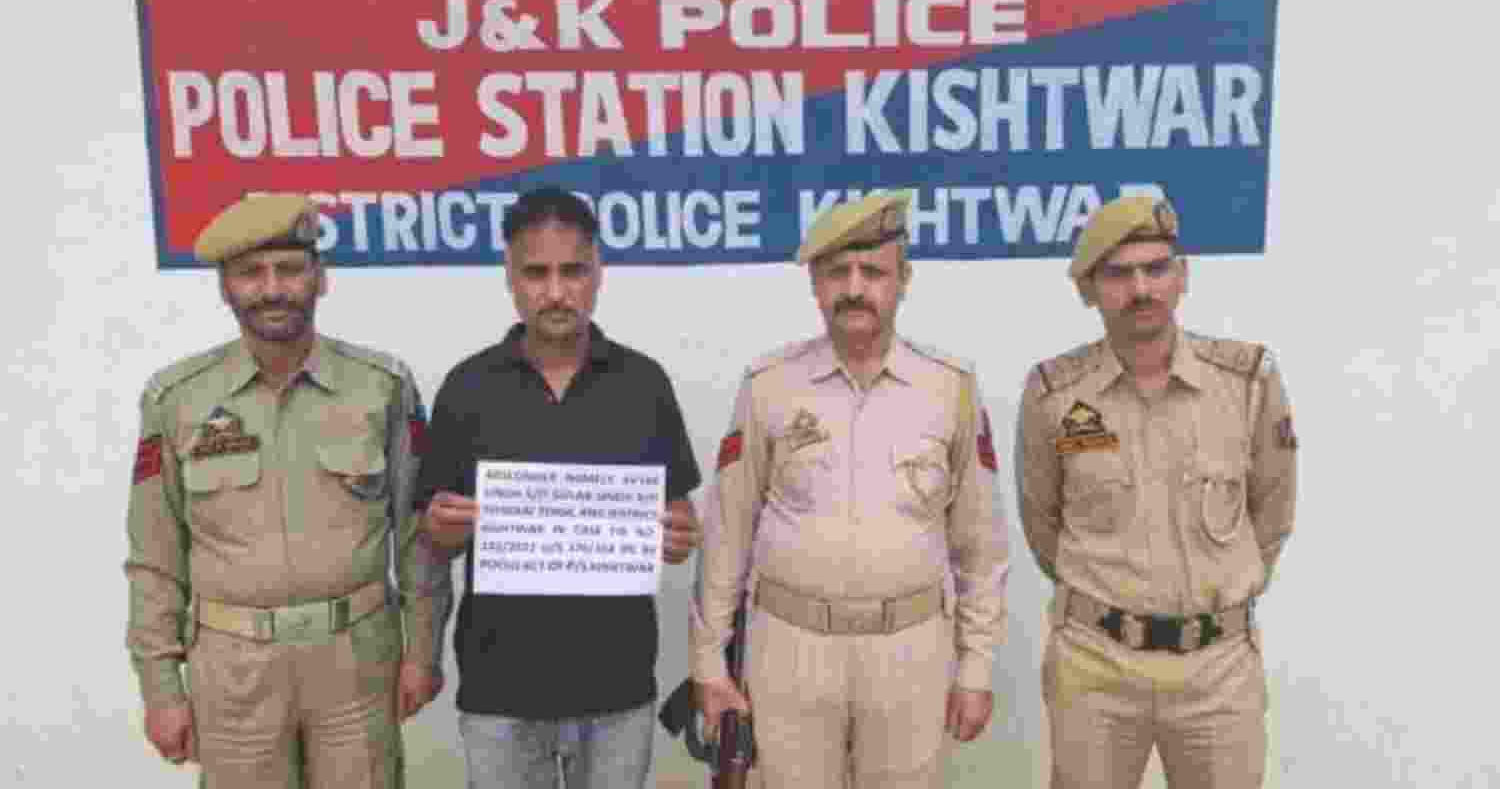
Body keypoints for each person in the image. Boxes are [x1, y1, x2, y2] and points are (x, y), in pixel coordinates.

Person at [124, 194, 451, 788]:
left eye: (291, 268)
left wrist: (422, 653)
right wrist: (161, 687)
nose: (273, 288)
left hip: (355, 662)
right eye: (251, 272)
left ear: (320, 279)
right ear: (225, 287)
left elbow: (419, 537)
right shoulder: (176, 401)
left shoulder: (382, 387)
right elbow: (154, 561)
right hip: (233, 674)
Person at [690, 190, 1010, 788]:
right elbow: (726, 533)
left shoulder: (951, 389)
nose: (855, 288)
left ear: (904, 280)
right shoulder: (768, 387)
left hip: (910, 651)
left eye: (874, 271)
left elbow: (981, 546)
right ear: (816, 284)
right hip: (790, 649)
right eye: (838, 272)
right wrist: (710, 663)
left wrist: (976, 667)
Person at [416, 185, 704, 789]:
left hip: (617, 685)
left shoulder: (643, 384)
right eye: (536, 273)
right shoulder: (467, 389)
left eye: (572, 271)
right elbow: (432, 531)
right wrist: (440, 528)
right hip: (499, 686)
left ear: (598, 272)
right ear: (510, 276)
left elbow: (677, 518)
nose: (554, 291)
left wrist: (679, 534)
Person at [1014, 194, 1298, 788]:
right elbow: (1044, 526)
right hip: (1095, 670)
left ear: (1182, 275)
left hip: (1218, 671)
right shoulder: (1053, 395)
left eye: (1156, 267)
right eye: (1118, 273)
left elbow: (1271, 513)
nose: (1141, 287)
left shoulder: (1245, 383)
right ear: (1088, 289)